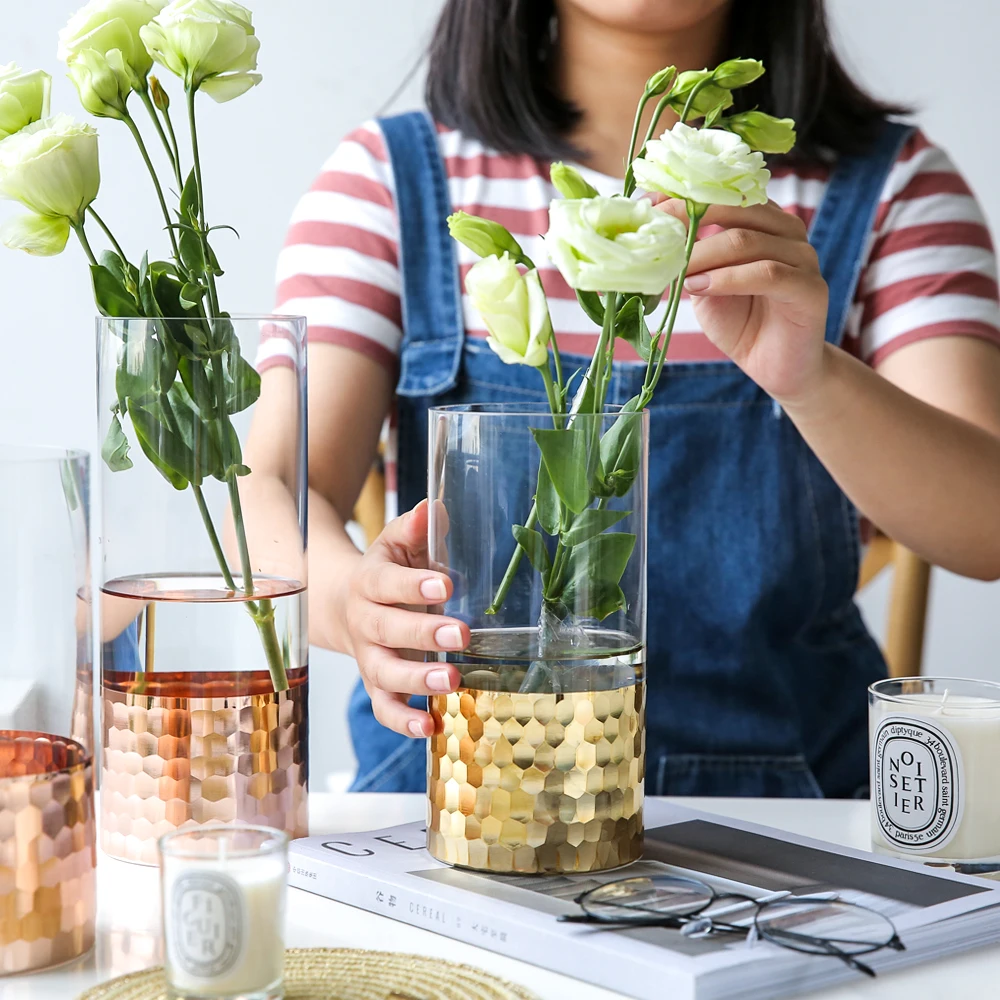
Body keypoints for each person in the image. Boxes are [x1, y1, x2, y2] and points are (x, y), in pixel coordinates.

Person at [247, 0, 1000, 797]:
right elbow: (270, 490)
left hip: (789, 826)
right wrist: (346, 601)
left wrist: (810, 376)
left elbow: (984, 527)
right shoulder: (393, 182)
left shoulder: (891, 191)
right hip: (460, 803)